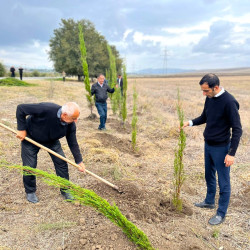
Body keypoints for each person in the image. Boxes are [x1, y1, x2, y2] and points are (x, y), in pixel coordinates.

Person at [182, 73, 242, 225]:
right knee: (208, 175)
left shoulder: (229, 101)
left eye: (206, 91)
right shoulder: (209, 99)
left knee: (224, 182)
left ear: (215, 87)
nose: (204, 94)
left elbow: (237, 129)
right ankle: (209, 201)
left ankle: (221, 213)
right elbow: (204, 117)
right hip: (208, 145)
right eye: (202, 91)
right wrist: (189, 122)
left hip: (222, 148)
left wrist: (231, 154)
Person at [16, 102, 86, 203]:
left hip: (52, 141)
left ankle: (65, 189)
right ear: (64, 115)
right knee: (29, 165)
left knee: (62, 163)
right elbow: (21, 108)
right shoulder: (47, 109)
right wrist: (21, 129)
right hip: (31, 137)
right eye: (74, 118)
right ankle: (30, 191)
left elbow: (73, 143)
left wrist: (79, 161)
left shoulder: (70, 125)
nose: (76, 120)